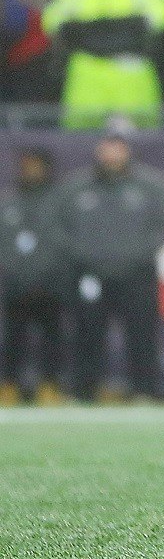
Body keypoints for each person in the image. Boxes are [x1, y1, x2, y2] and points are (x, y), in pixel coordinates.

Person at [43, 120, 164, 402]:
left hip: (136, 273)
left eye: (118, 147)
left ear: (128, 151)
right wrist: (80, 253)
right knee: (86, 333)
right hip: (89, 274)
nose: (112, 154)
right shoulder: (77, 187)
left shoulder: (149, 186)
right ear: (98, 150)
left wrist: (139, 253)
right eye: (107, 147)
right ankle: (84, 391)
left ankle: (144, 391)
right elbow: (54, 224)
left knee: (141, 334)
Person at [40, 0, 164, 128]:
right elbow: (52, 20)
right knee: (81, 132)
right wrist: (110, 29)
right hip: (87, 72)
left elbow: (163, 13)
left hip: (129, 70)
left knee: (137, 131)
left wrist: (113, 30)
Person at [1, 148, 67, 405]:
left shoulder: (60, 202)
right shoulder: (8, 201)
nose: (32, 171)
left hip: (51, 284)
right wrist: (13, 272)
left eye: (37, 166)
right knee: (12, 338)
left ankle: (49, 385)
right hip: (15, 284)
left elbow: (68, 242)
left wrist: (51, 272)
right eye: (27, 166)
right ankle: (9, 384)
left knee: (52, 338)